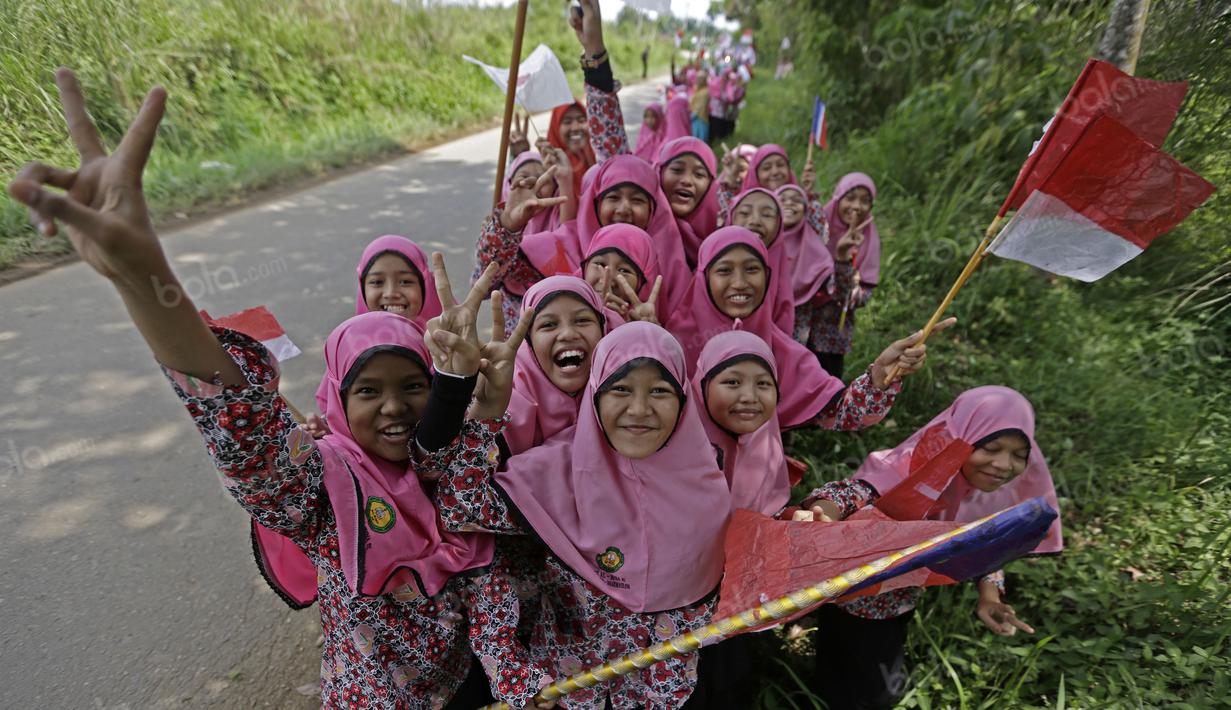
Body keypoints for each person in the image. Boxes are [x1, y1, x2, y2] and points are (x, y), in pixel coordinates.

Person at [6, 69, 530, 709]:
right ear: (337, 402)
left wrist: (479, 403)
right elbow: (245, 430)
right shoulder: (325, 489)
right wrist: (144, 277)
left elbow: (487, 559)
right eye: (367, 392)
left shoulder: (458, 466)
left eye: (414, 386)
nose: (394, 406)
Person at [427, 322, 733, 709]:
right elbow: (458, 507)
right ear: (595, 394)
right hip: (562, 693)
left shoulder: (706, 489)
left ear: (683, 399)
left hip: (660, 696)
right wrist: (485, 412)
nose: (639, 410)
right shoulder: (556, 470)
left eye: (659, 391)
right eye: (620, 389)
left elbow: (695, 622)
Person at [794, 386, 1063, 710]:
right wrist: (824, 511)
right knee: (866, 686)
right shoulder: (912, 469)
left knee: (854, 669)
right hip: (853, 595)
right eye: (991, 448)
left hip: (899, 601)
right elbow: (856, 491)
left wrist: (990, 596)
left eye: (1020, 455)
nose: (1004, 464)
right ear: (961, 438)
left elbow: (987, 542)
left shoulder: (990, 492)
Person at [666, 227, 950, 430]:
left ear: (768, 277)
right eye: (724, 270)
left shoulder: (783, 352)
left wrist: (879, 378)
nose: (740, 282)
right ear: (703, 278)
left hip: (756, 490)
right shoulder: (672, 344)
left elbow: (843, 413)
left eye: (752, 269)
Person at [795, 172, 880, 377]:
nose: (857, 206)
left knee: (825, 384)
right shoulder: (816, 229)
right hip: (797, 327)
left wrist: (842, 260)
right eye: (850, 198)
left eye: (865, 201)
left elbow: (858, 298)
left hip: (831, 336)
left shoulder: (869, 241)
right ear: (838, 198)